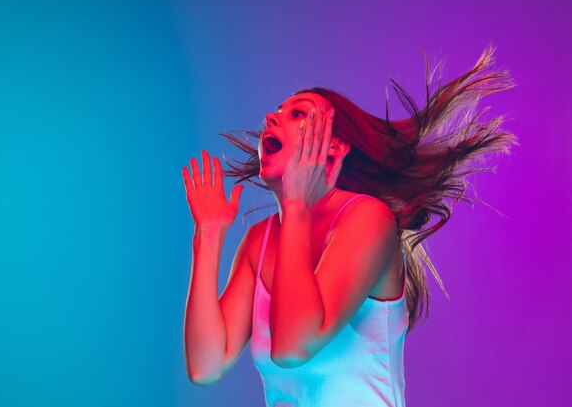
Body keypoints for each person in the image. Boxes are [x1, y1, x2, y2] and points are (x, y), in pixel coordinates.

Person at [181, 45, 516, 406]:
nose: (271, 118)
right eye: (275, 113)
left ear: (334, 146)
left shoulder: (367, 218)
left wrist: (296, 204)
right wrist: (208, 235)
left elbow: (293, 345)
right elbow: (206, 366)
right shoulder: (260, 240)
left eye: (297, 114)